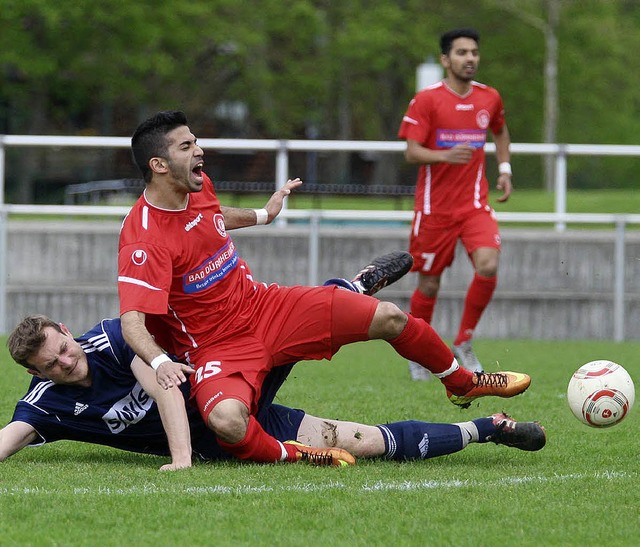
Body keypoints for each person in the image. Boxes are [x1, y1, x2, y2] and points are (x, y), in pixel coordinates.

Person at [116, 110, 530, 467]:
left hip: (266, 307)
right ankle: (296, 453)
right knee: (226, 421)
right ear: (159, 165)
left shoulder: (197, 185)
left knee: (390, 316)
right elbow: (132, 322)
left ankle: (462, 383)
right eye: (186, 146)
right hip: (217, 347)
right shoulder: (143, 240)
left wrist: (264, 213)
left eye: (196, 142)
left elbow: (211, 216)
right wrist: (158, 363)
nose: (199, 151)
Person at [1, 314, 546, 469]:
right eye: (53, 364)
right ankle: (486, 430)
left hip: (224, 392)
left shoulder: (115, 337)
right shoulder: (47, 404)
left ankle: (346, 293)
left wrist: (180, 460)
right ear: (38, 371)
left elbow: (165, 386)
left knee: (283, 342)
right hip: (234, 438)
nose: (67, 362)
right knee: (359, 441)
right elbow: (10, 436)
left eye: (65, 348)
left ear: (67, 333)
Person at [398, 28, 513, 379]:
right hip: (434, 211)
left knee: (488, 264)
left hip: (474, 206)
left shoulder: (489, 97)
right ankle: (419, 354)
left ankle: (463, 341)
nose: (470, 59)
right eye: (462, 53)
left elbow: (500, 131)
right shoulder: (427, 100)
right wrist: (445, 156)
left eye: (474, 52)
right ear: (446, 60)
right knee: (429, 285)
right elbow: (411, 151)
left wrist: (505, 169)